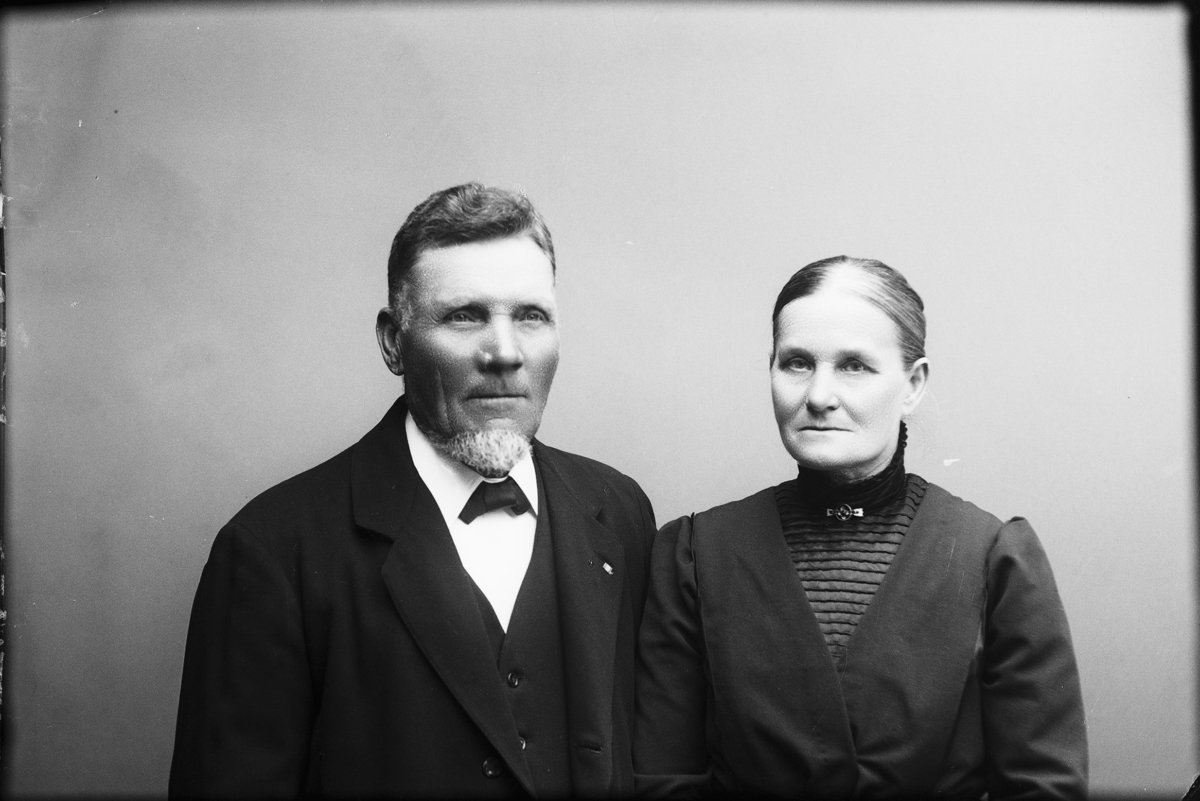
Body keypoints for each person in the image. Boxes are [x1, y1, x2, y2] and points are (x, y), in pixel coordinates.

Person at [169, 183, 657, 797]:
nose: (505, 353)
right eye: (464, 316)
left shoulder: (620, 510)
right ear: (393, 342)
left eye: (530, 316)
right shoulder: (271, 551)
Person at [634, 256, 1087, 799]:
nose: (819, 395)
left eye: (854, 366)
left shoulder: (994, 559)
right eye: (796, 363)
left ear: (913, 384)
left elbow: (1042, 786)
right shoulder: (696, 555)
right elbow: (665, 780)